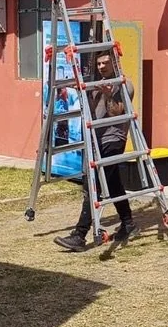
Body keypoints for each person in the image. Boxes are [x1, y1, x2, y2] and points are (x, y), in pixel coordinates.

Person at [54, 49, 138, 251]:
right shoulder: (96, 83)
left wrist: (109, 95)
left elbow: (117, 111)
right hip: (98, 140)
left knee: (96, 186)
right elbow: (92, 112)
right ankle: (128, 223)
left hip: (113, 140)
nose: (102, 67)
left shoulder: (124, 84)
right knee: (113, 182)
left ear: (115, 63)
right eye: (99, 64)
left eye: (105, 63)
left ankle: (79, 235)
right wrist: (83, 92)